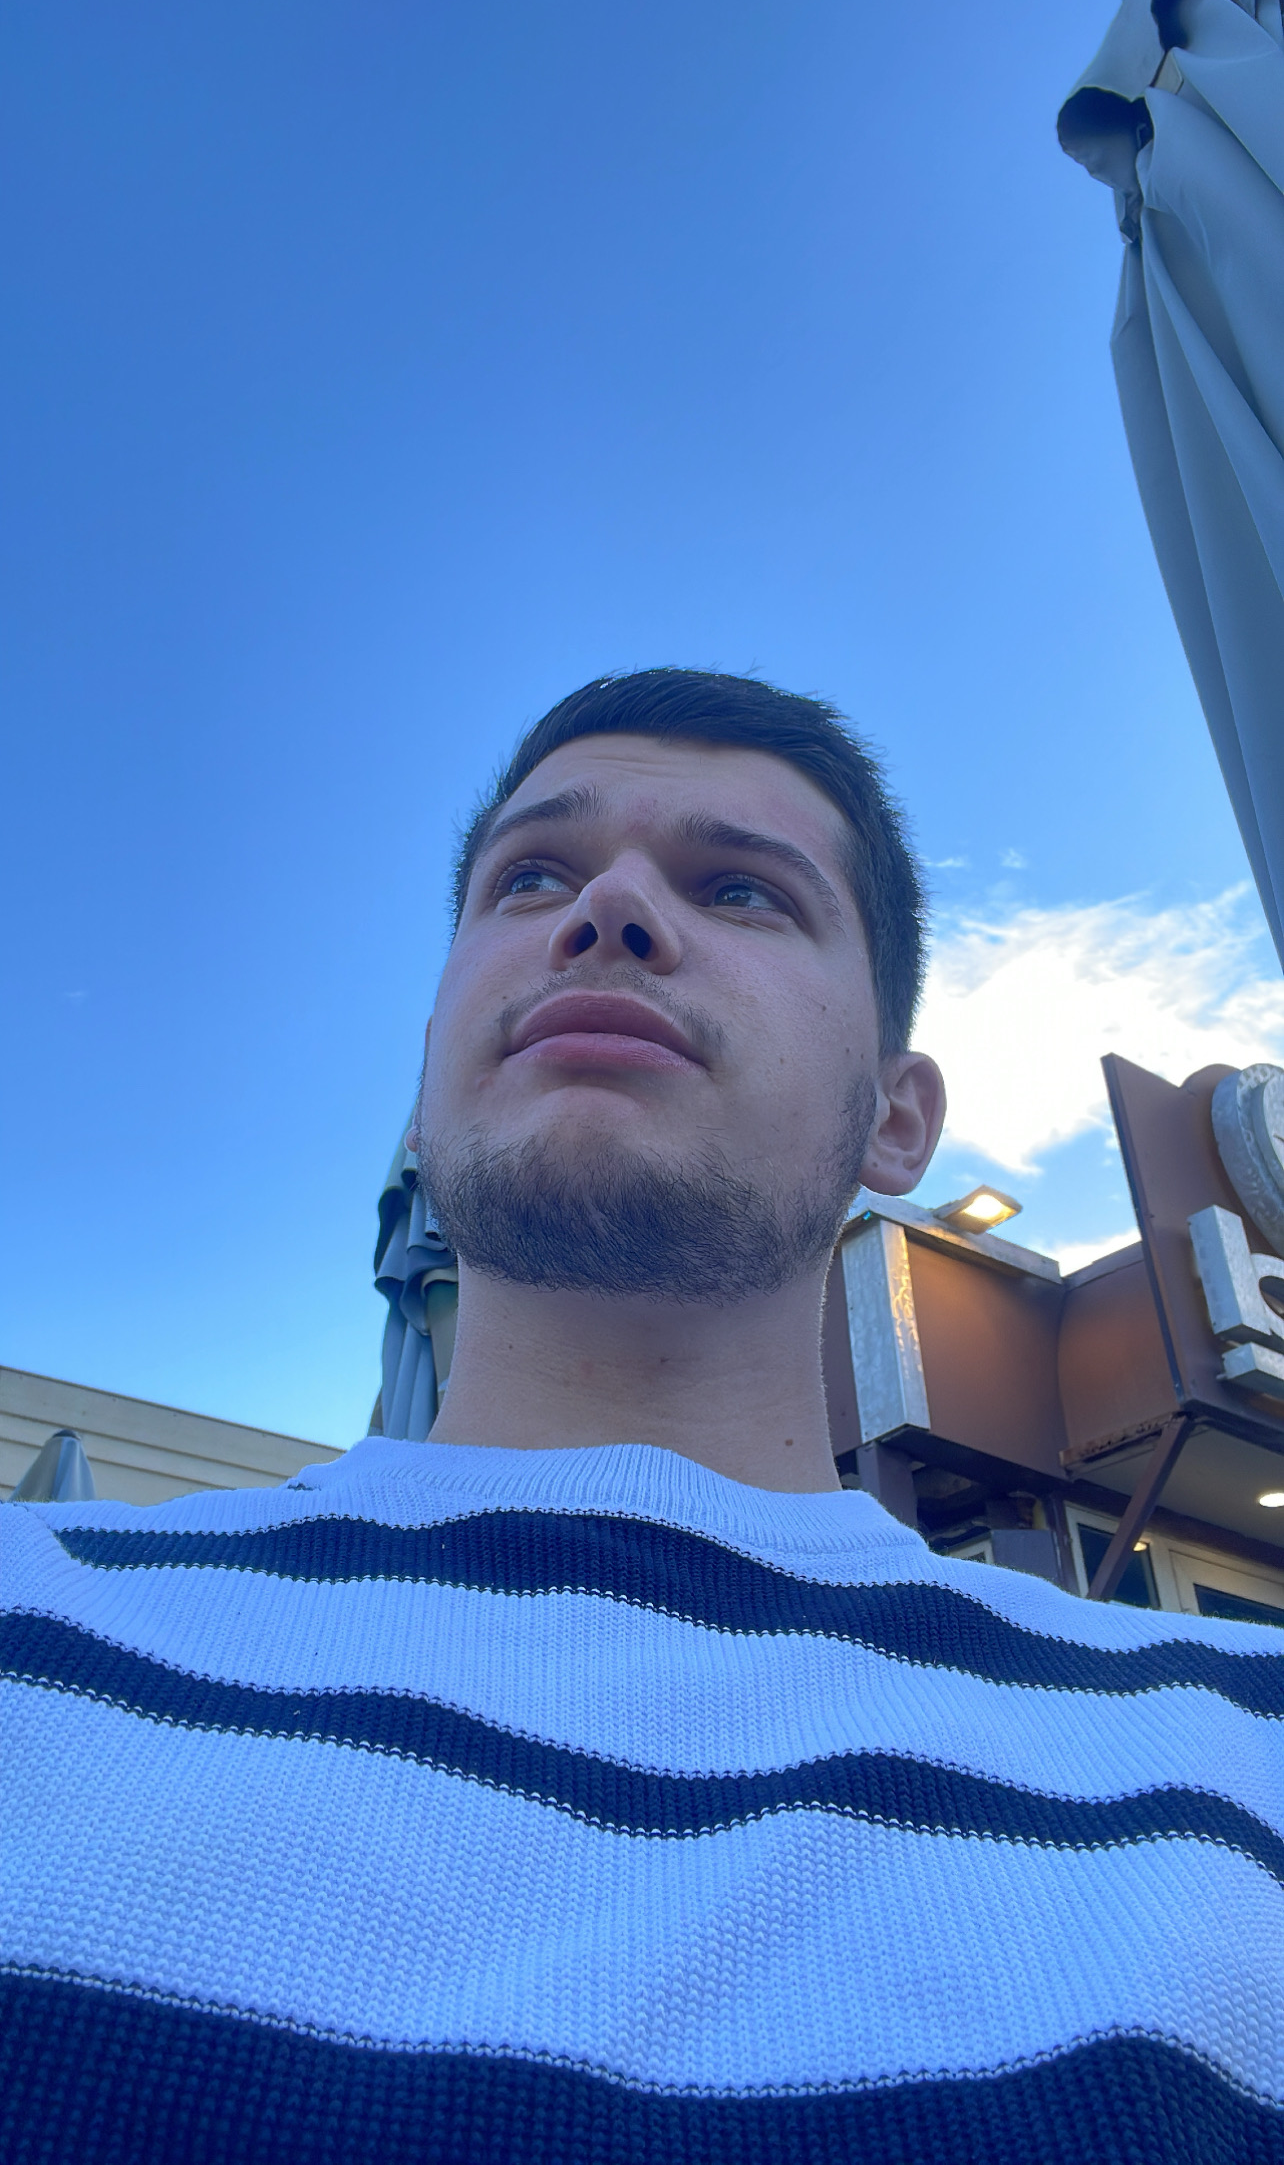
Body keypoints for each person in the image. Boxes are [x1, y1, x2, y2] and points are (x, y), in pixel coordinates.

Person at [2, 668, 1280, 2165]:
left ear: (894, 1118)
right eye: (532, 876)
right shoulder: (33, 1635)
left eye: (740, 889)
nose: (604, 910)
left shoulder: (1240, 1758)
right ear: (428, 1073)